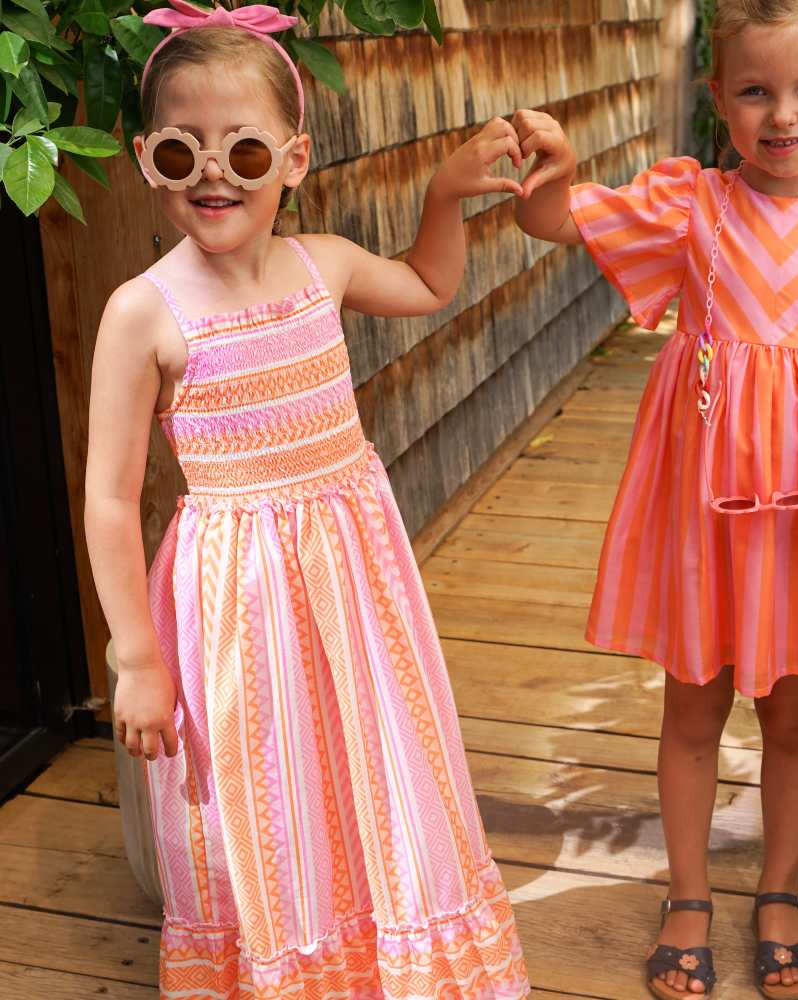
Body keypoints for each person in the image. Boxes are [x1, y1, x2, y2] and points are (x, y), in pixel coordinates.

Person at [512, 0, 798, 996]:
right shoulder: (689, 207)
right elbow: (549, 219)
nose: (782, 115)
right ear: (717, 95)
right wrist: (551, 161)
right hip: (703, 512)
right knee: (692, 706)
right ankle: (687, 892)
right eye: (754, 91)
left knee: (794, 715)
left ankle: (779, 886)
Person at [84, 2, 530, 996]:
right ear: (145, 157)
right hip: (235, 600)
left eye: (243, 151)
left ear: (291, 159)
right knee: (264, 783)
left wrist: (447, 192)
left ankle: (389, 956)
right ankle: (287, 964)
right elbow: (110, 501)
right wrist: (136, 659)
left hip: (353, 583)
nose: (211, 171)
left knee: (374, 758)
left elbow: (423, 282)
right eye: (178, 148)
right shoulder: (143, 312)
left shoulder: (321, 263)